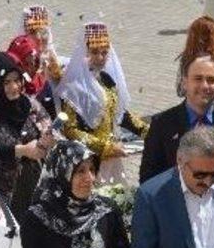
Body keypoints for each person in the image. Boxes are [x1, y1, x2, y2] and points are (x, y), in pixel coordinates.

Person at [140, 53, 214, 186]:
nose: (205, 86)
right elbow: (148, 179)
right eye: (198, 79)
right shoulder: (162, 124)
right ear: (184, 83)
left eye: (211, 80)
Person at [57, 22, 149, 184]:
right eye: (94, 52)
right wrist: (105, 147)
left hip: (112, 158)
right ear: (84, 53)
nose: (100, 57)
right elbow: (70, 130)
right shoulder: (74, 87)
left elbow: (118, 113)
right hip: (88, 162)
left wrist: (147, 131)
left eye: (104, 53)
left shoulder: (107, 80)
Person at [0, 52, 53, 220]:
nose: (15, 87)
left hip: (29, 186)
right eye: (6, 82)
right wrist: (21, 150)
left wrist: (47, 140)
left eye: (17, 80)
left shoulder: (29, 104)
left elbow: (47, 125)